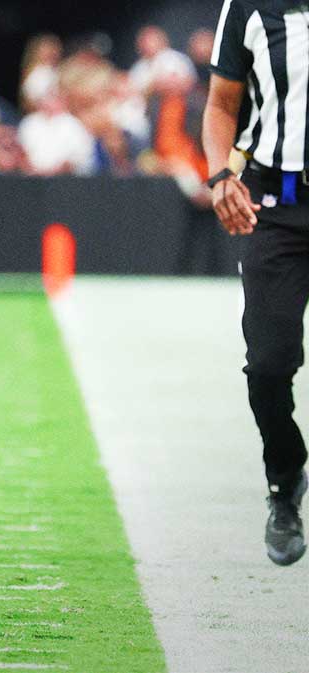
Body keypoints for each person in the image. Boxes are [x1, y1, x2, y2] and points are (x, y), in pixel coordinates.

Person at [204, 0, 308, 566]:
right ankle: (285, 481)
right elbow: (223, 101)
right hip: (277, 203)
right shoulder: (248, 6)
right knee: (268, 365)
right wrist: (221, 172)